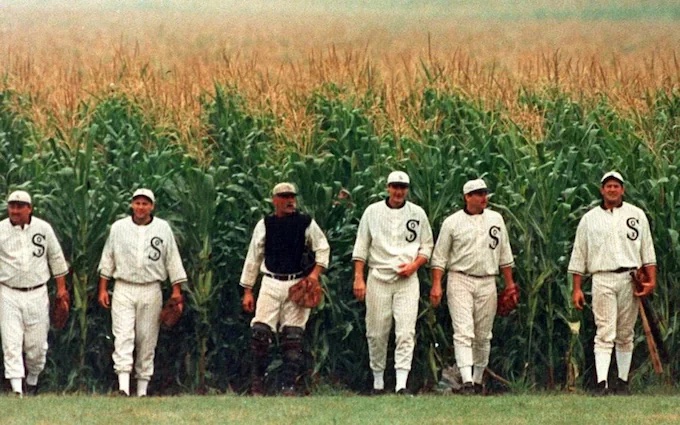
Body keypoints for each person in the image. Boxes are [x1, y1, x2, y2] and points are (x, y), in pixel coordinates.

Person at [569, 171, 656, 395]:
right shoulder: (589, 219)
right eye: (608, 186)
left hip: (630, 278)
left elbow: (647, 251)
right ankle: (601, 382)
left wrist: (651, 280)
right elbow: (579, 254)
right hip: (602, 277)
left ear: (623, 189)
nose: (612, 190)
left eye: (616, 186)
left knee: (625, 332)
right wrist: (577, 288)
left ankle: (623, 381)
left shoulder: (636, 215)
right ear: (602, 190)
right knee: (605, 330)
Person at [240, 182, 330, 396]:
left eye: (292, 196)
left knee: (293, 337)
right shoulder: (265, 224)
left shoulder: (305, 222)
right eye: (284, 196)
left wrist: (314, 276)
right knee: (260, 334)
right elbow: (253, 257)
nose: (290, 200)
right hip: (270, 282)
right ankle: (257, 385)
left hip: (297, 283)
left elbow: (323, 248)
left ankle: (288, 385)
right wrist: (248, 290)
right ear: (275, 200)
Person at [429, 178, 517, 394]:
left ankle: (478, 380)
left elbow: (504, 254)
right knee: (463, 331)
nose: (483, 197)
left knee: (484, 334)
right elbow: (439, 257)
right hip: (460, 278)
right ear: (467, 197)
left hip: (487, 279)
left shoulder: (496, 219)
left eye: (485, 193)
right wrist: (436, 285)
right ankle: (467, 380)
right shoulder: (452, 222)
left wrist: (509, 285)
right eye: (478, 194)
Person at [97, 188, 187, 397]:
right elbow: (108, 258)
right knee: (123, 336)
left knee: (147, 339)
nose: (140, 207)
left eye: (145, 203)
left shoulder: (163, 228)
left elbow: (172, 259)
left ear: (152, 206)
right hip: (123, 287)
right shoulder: (119, 228)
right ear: (131, 205)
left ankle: (142, 390)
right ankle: (123, 387)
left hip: (151, 287)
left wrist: (176, 291)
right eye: (137, 203)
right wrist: (103, 288)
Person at [352, 171, 434, 395]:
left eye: (403, 187)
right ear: (387, 187)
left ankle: (401, 384)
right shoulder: (372, 212)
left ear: (407, 189)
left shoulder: (417, 213)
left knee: (406, 331)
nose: (399, 191)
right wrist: (359, 278)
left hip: (407, 279)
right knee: (377, 331)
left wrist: (414, 265)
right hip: (379, 276)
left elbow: (427, 246)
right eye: (395, 187)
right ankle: (378, 382)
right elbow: (361, 247)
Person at [0, 190, 70, 397]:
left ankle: (32, 380)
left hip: (37, 293)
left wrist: (61, 290)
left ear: (29, 208)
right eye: (12, 206)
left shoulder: (43, 229)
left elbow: (56, 259)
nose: (15, 210)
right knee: (11, 342)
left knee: (36, 346)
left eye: (20, 206)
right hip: (8, 292)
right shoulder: (1, 229)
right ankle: (17, 389)